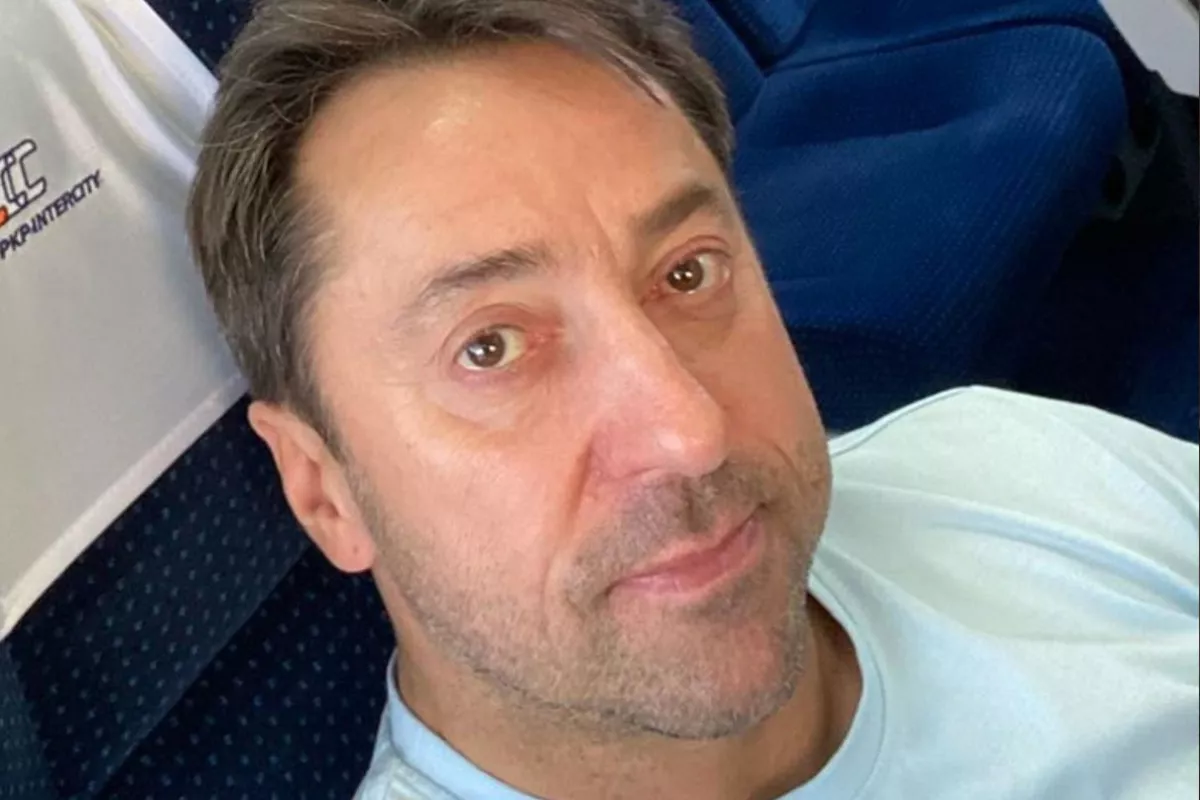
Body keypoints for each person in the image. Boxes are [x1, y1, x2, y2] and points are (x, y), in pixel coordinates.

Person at [187, 0, 1199, 797]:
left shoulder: (1009, 463)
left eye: (687, 272)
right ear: (324, 490)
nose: (690, 431)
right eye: (491, 347)